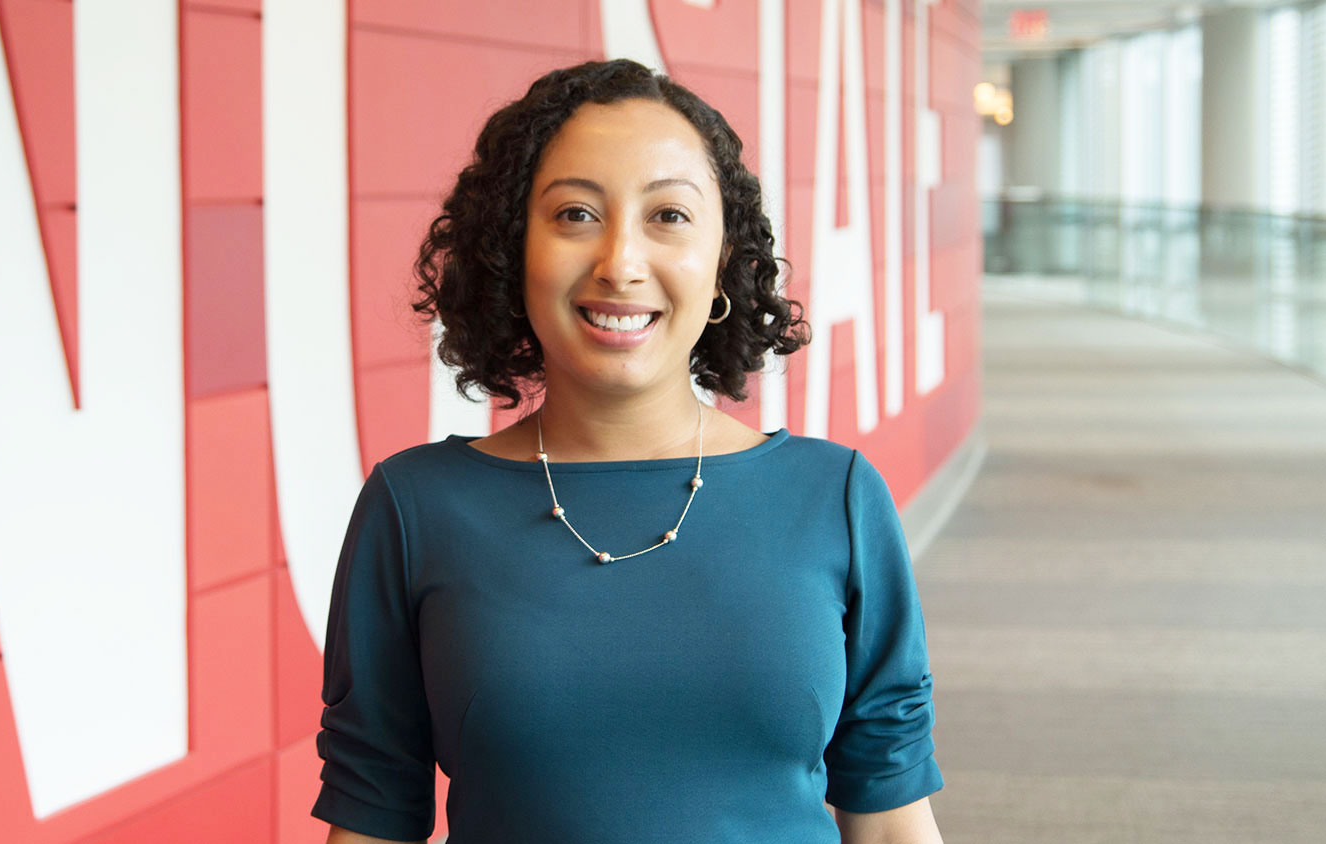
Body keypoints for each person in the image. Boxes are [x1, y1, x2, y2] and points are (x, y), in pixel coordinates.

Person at [312, 59, 944, 844]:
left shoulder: (835, 498)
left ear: (723, 259)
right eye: (575, 214)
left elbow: (889, 821)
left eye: (669, 216)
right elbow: (372, 816)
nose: (620, 262)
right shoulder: (415, 509)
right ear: (516, 254)